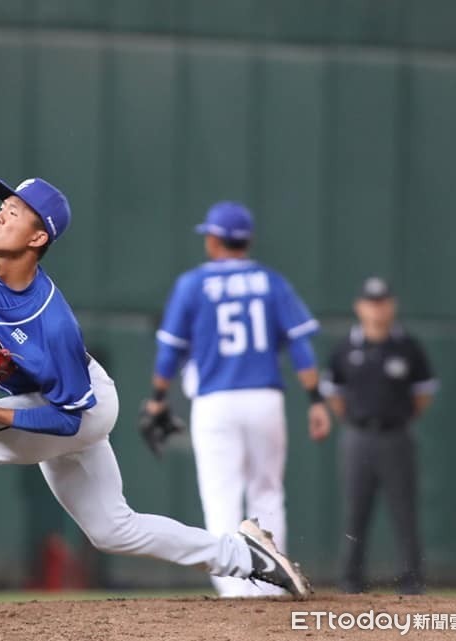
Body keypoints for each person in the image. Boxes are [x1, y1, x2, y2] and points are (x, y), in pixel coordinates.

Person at [0, 69, 312, 622]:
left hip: (80, 404)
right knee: (114, 528)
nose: (0, 212)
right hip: (51, 398)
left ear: (38, 237)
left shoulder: (52, 322)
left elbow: (70, 418)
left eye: (15, 211)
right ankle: (247, 557)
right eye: (2, 204)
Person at [141, 201, 331, 598]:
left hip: (216, 402)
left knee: (221, 495)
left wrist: (158, 398)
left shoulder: (193, 284)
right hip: (265, 398)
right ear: (248, 240)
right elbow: (300, 347)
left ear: (214, 240)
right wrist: (315, 399)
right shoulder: (271, 282)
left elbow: (169, 352)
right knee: (267, 491)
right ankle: (274, 587)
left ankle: (235, 590)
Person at [320, 277, 437, 595]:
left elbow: (423, 393)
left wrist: (399, 417)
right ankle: (351, 582)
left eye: (382, 302)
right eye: (371, 303)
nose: (377, 309)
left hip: (396, 436)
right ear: (359, 307)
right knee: (355, 512)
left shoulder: (407, 347)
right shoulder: (346, 347)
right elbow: (333, 392)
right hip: (358, 437)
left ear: (392, 306)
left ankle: (411, 583)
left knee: (404, 512)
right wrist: (353, 419)